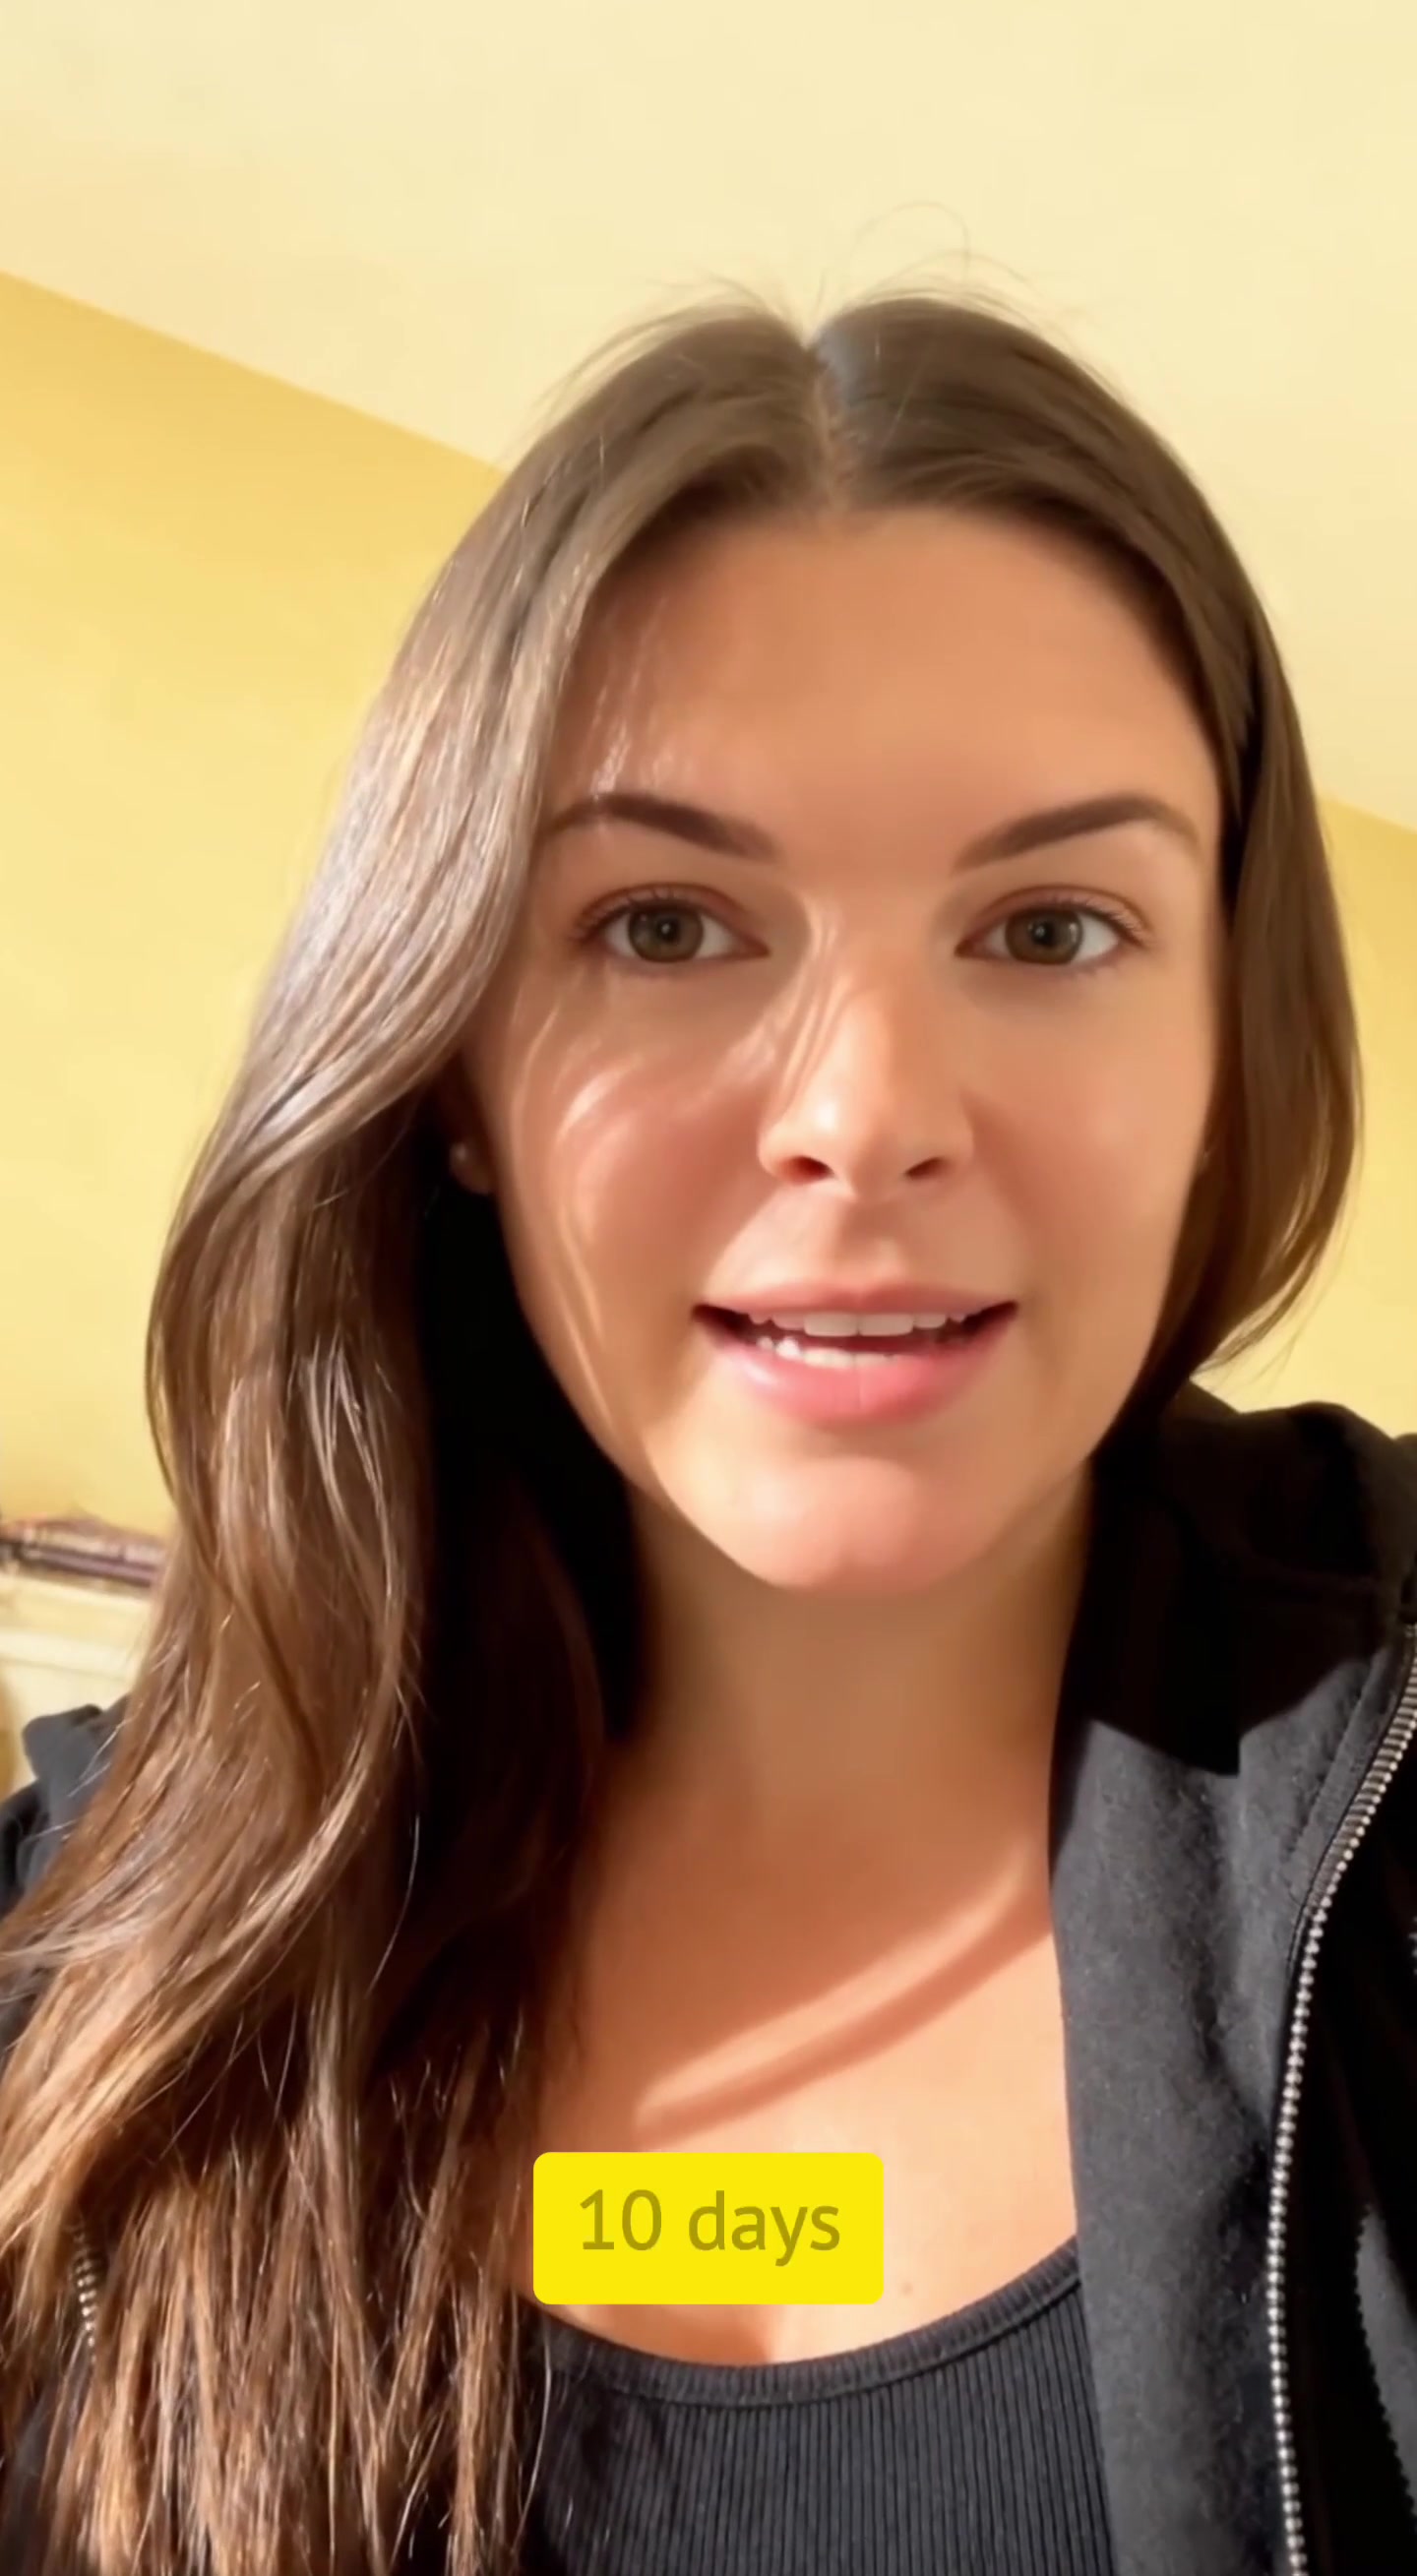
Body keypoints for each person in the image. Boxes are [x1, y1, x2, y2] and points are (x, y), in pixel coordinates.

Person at [0, 281, 1412, 2576]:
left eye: (1054, 929)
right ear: (453, 1061)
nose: (866, 1115)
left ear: (1225, 1054)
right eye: (664, 925)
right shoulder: (93, 1968)